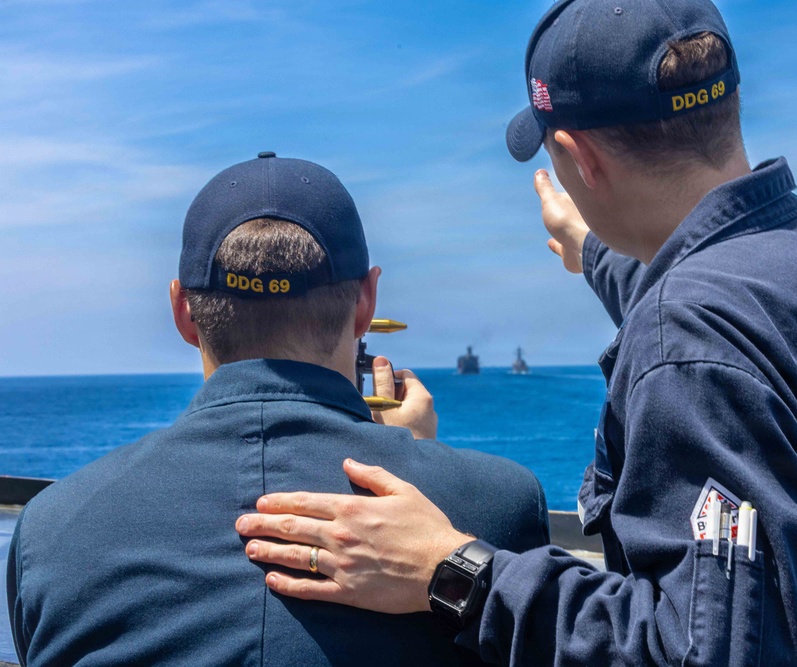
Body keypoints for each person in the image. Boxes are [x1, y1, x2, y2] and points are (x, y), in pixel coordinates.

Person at [234, 1, 797, 665]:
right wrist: (593, 252)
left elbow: (700, 651)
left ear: (577, 157)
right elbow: (724, 318)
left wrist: (451, 572)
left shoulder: (690, 336)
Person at [5, 153, 550, 666]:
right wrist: (421, 464)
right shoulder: (501, 503)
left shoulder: (52, 529)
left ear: (182, 311)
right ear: (366, 302)